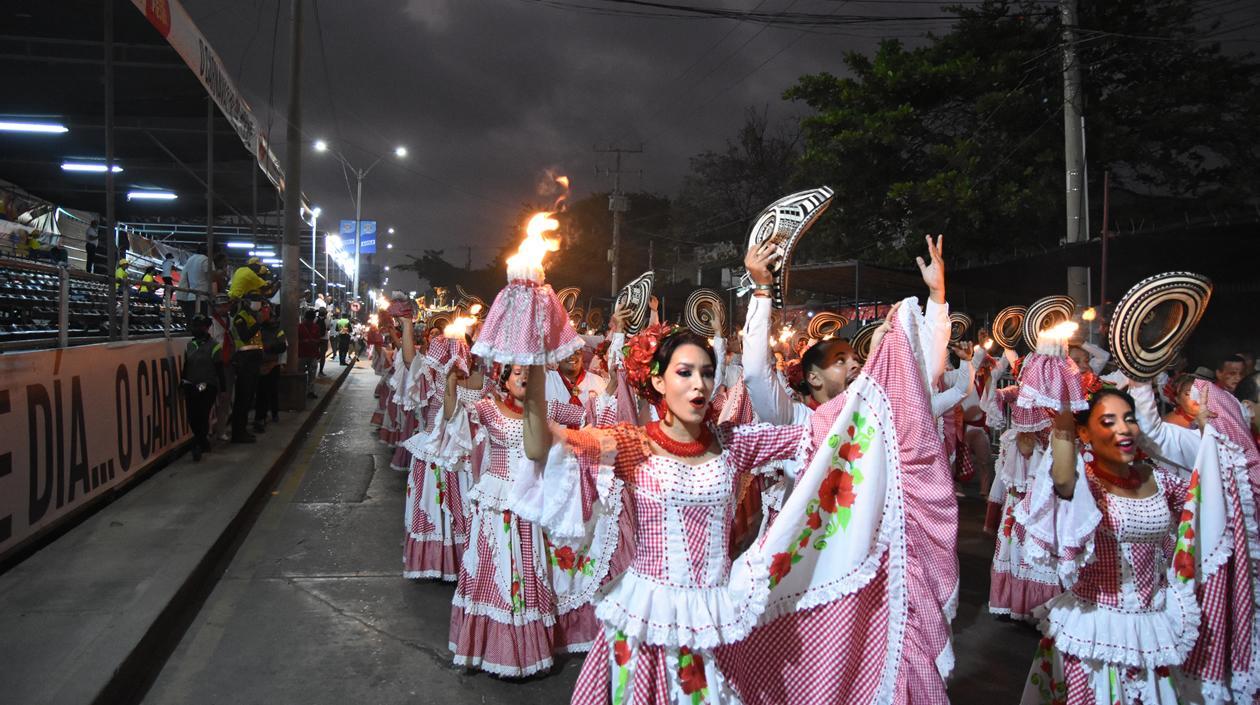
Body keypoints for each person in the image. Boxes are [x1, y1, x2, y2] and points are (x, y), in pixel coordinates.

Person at [181, 315, 223, 462]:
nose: (196, 329)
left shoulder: (214, 346)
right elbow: (186, 365)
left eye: (199, 326)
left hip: (207, 385)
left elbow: (219, 368)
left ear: (206, 328)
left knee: (202, 414)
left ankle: (198, 444)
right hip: (191, 385)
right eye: (194, 326)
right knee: (192, 416)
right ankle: (202, 442)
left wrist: (222, 388)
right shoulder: (190, 345)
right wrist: (183, 382)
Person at [230, 294, 265, 443]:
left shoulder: (251, 315)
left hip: (253, 362)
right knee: (242, 399)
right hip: (244, 362)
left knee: (249, 398)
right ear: (247, 303)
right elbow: (244, 336)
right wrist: (258, 323)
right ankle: (238, 433)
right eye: (256, 302)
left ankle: (242, 430)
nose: (259, 305)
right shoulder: (241, 317)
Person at [254, 302, 286, 433]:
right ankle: (260, 418)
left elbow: (283, 346)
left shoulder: (278, 331)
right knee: (261, 393)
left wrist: (270, 348)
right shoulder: (256, 329)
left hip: (273, 364)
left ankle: (273, 412)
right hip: (258, 364)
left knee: (272, 391)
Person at [208, 295, 236, 443]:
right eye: (221, 306)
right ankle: (209, 430)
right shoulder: (211, 323)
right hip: (215, 364)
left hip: (228, 364)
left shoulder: (230, 321)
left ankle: (221, 430)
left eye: (226, 305)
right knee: (211, 399)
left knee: (225, 399)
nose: (224, 308)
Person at [178, 249, 210, 319]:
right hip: (190, 296)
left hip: (187, 296)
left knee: (191, 321)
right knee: (200, 323)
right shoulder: (205, 260)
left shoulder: (190, 260)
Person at [298, 309, 321, 400]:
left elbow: (318, 339)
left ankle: (310, 391)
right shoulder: (300, 327)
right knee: (301, 373)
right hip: (302, 354)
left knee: (312, 373)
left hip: (312, 354)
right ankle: (301, 391)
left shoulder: (315, 327)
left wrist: (312, 341)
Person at [316, 309, 330, 376]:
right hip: (324, 339)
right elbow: (328, 328)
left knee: (314, 354)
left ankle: (313, 369)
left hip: (316, 339)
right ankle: (320, 371)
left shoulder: (315, 319)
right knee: (323, 355)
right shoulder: (327, 320)